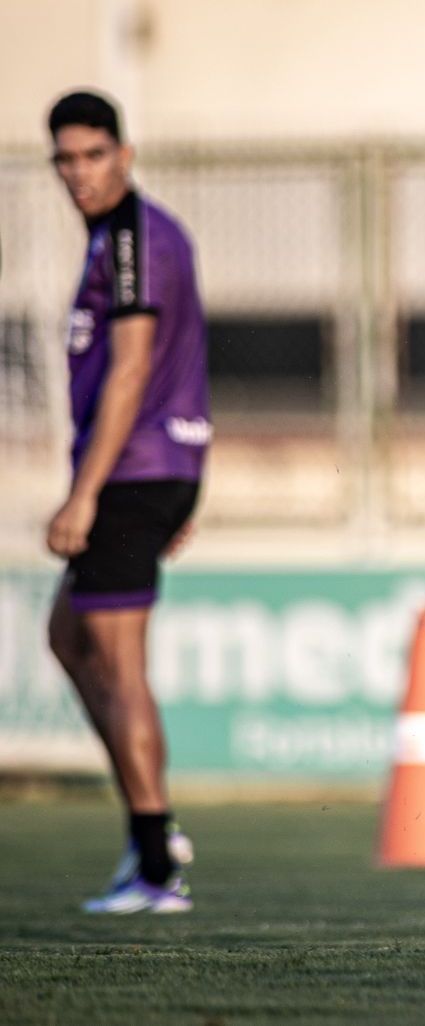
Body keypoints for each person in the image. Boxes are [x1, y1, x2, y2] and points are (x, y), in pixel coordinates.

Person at [44, 90, 211, 914]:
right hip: (153, 469)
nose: (79, 172)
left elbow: (135, 368)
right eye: (66, 159)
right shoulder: (118, 239)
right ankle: (154, 834)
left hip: (131, 471)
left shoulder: (134, 238)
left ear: (125, 153)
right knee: (70, 638)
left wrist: (84, 494)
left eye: (93, 154)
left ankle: (155, 863)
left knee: (117, 662)